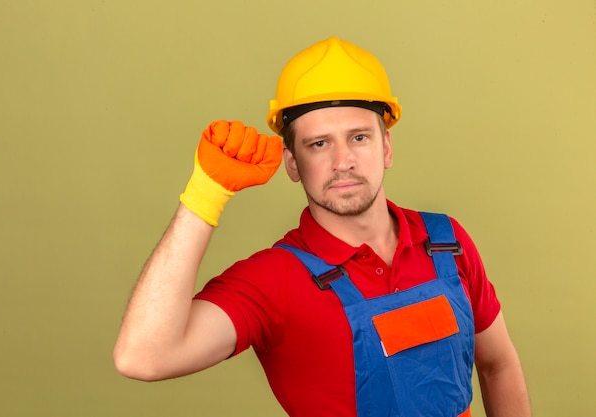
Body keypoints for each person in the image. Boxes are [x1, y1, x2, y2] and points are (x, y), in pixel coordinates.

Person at [113, 37, 531, 417]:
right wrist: (205, 196)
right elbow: (142, 357)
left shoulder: (445, 241)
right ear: (292, 163)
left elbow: (497, 365)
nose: (342, 161)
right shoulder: (275, 280)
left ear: (386, 146)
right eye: (319, 143)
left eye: (359, 138)